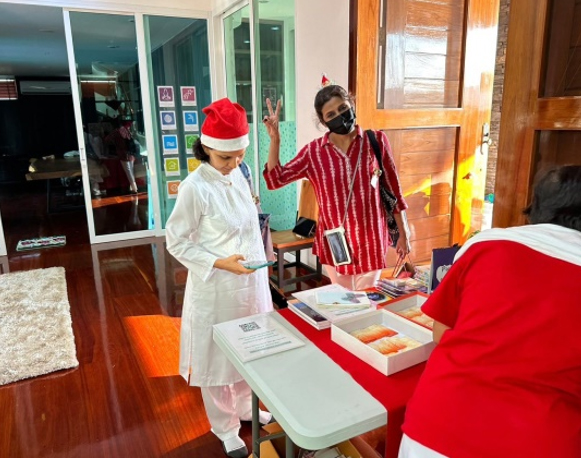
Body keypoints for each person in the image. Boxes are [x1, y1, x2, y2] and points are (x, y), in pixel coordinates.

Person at [399, 165, 581, 457]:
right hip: (540, 439)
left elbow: (440, 332)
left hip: (437, 424)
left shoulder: (486, 244)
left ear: (536, 205)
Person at [165, 98, 273, 458]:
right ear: (207, 149)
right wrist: (219, 262)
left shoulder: (238, 173)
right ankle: (225, 427)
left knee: (248, 348)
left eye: (240, 155)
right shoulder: (195, 187)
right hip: (216, 287)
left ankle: (245, 408)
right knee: (217, 359)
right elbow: (176, 240)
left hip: (250, 283)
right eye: (226, 157)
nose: (234, 163)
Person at [262, 79, 411, 290]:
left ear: (352, 104)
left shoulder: (376, 141)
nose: (339, 116)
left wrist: (404, 234)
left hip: (371, 241)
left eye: (343, 108)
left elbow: (394, 191)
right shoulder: (314, 152)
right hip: (336, 244)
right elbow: (276, 180)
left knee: (367, 301)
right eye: (331, 114)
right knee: (342, 301)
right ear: (324, 122)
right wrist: (275, 140)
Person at [105, 118, 139, 194]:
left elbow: (107, 140)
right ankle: (132, 187)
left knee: (128, 171)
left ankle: (134, 188)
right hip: (131, 153)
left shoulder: (116, 132)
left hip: (123, 154)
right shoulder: (127, 130)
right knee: (131, 170)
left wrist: (115, 143)